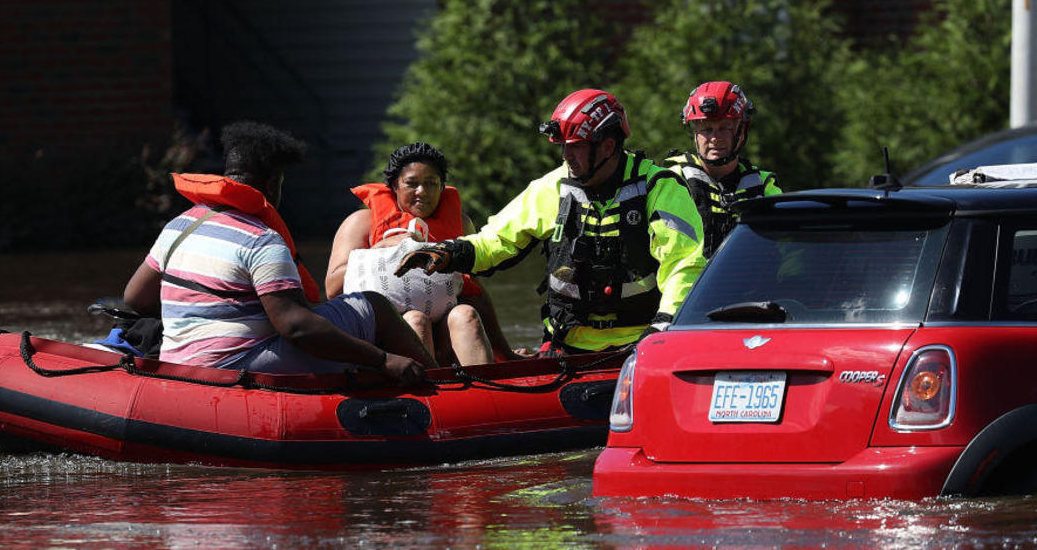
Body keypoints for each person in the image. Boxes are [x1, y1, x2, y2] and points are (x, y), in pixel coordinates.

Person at [395, 89, 707, 354]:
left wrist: (663, 327)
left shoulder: (660, 188)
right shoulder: (554, 187)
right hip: (567, 345)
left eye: (577, 148)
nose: (567, 157)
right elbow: (499, 241)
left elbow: (684, 266)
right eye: (563, 148)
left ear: (609, 146)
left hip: (644, 344)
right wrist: (450, 253)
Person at [123, 121, 436, 383]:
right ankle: (442, 384)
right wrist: (382, 360)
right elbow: (296, 327)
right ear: (273, 185)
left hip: (179, 363)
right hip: (236, 367)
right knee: (374, 305)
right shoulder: (262, 240)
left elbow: (136, 298)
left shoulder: (181, 224)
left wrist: (202, 318)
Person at [325, 142, 517, 365]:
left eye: (431, 184)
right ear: (394, 186)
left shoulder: (461, 224)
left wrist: (506, 353)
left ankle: (486, 391)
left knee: (466, 314)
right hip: (385, 330)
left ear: (442, 186)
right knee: (416, 320)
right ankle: (425, 394)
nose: (422, 192)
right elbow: (332, 289)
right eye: (411, 184)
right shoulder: (360, 223)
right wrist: (379, 250)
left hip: (444, 331)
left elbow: (473, 290)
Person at [663, 81, 781, 259]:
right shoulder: (670, 182)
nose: (715, 138)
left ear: (742, 131)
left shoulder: (765, 189)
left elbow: (788, 252)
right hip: (692, 287)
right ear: (694, 133)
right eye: (706, 129)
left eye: (725, 128)